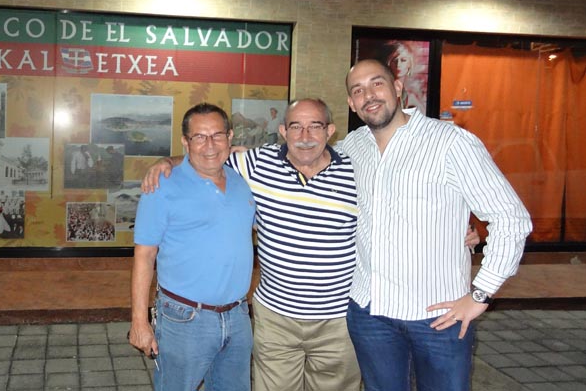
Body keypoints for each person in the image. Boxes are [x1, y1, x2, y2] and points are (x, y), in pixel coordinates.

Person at [142, 99, 481, 391]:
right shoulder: (255, 164)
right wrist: (164, 162)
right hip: (275, 319)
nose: (305, 137)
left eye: (315, 127)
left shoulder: (356, 171)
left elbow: (403, 210)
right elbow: (205, 156)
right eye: (296, 127)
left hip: (337, 321)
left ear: (330, 130)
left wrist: (457, 232)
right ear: (282, 132)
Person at [342, 59, 532, 391]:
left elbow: (510, 217)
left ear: (398, 88)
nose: (368, 95)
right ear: (351, 103)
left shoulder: (450, 142)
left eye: (377, 83)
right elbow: (307, 161)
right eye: (358, 90)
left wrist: (481, 293)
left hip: (439, 317)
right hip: (369, 313)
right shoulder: (351, 147)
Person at [129, 103, 256, 391]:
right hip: (184, 319)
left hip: (238, 317)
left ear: (230, 137)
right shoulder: (161, 186)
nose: (209, 145)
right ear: (185, 142)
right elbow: (144, 257)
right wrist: (139, 322)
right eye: (199, 137)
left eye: (217, 135)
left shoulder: (244, 180)